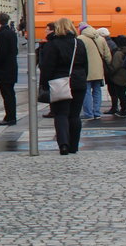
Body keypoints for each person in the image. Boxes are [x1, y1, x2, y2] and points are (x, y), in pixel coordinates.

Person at [38, 16, 89, 154]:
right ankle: (74, 146)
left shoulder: (52, 45)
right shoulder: (79, 43)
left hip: (59, 82)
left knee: (61, 114)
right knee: (75, 115)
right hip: (78, 82)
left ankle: (64, 144)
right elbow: (85, 64)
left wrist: (44, 84)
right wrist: (83, 79)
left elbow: (47, 67)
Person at [78, 22, 112, 120]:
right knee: (97, 90)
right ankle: (97, 112)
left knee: (87, 91)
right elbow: (107, 56)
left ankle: (88, 113)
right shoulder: (101, 39)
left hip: (86, 69)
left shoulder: (80, 39)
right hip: (98, 70)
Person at [105, 35, 126, 117]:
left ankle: (124, 110)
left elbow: (115, 66)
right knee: (123, 93)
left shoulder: (118, 53)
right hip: (125, 76)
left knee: (120, 94)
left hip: (118, 77)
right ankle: (125, 109)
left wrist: (109, 72)